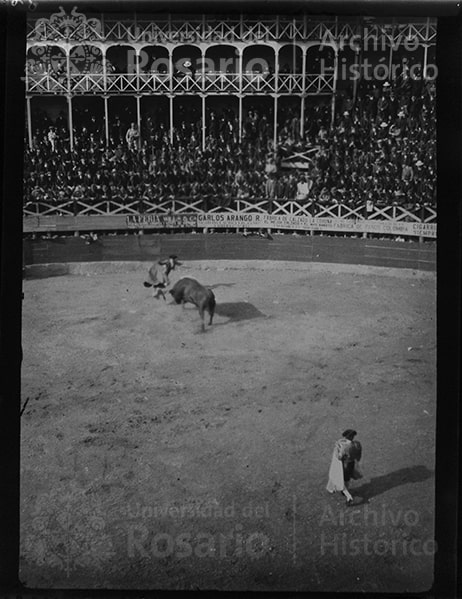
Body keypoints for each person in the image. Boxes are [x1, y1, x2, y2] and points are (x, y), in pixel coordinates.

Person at [326, 429, 362, 505]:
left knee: (340, 481)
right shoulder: (357, 444)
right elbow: (358, 457)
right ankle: (345, 492)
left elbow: (339, 457)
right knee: (347, 479)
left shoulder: (344, 447)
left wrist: (336, 448)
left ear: (346, 437)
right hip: (351, 464)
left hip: (344, 465)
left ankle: (349, 497)